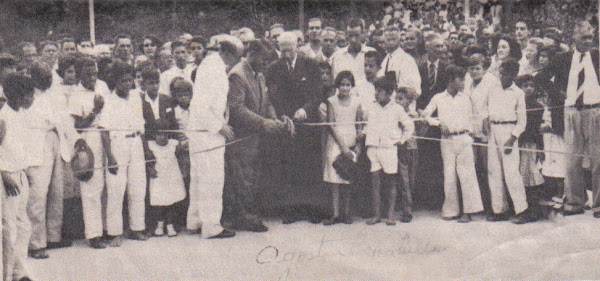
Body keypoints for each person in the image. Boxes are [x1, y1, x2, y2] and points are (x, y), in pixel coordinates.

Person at [535, 20, 600, 217]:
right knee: (572, 159)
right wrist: (558, 94)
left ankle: (598, 204)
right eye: (584, 38)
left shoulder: (597, 56)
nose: (588, 41)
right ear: (574, 38)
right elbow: (541, 78)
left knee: (598, 159)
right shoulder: (563, 58)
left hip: (594, 111)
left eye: (590, 37)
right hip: (570, 111)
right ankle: (574, 202)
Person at [224, 39, 287, 232]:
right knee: (242, 177)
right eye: (264, 59)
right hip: (241, 139)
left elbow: (266, 102)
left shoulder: (259, 75)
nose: (266, 64)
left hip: (255, 138)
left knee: (252, 176)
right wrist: (263, 122)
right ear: (251, 54)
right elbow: (236, 109)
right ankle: (243, 217)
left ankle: (248, 214)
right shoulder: (237, 75)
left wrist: (274, 119)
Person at [265, 31, 324, 224]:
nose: (286, 54)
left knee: (309, 167)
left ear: (297, 47)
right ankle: (291, 210)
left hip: (307, 125)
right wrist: (282, 117)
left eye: (289, 50)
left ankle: (312, 209)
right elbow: (272, 97)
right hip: (285, 125)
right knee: (288, 167)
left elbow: (317, 94)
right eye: (282, 51)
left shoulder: (311, 65)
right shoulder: (273, 68)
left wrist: (305, 110)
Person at [187, 35, 241, 239]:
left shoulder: (212, 66)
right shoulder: (214, 68)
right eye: (237, 56)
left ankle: (195, 221)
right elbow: (202, 104)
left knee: (199, 177)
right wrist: (220, 126)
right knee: (211, 179)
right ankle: (211, 226)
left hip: (201, 130)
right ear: (227, 53)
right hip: (207, 132)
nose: (238, 61)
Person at [422, 65, 483, 223]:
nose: (463, 82)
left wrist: (470, 136)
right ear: (450, 80)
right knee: (449, 175)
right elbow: (425, 114)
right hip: (447, 141)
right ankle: (451, 210)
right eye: (460, 79)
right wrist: (438, 124)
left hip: (464, 138)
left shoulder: (465, 98)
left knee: (467, 175)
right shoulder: (438, 98)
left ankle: (468, 211)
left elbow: (472, 119)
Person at [99, 62, 149, 246]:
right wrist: (110, 157)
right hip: (117, 145)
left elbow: (141, 127)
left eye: (130, 80)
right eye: (123, 81)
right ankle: (114, 233)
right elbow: (103, 131)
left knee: (138, 187)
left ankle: (137, 228)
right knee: (116, 189)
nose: (127, 84)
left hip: (136, 143)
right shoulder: (108, 101)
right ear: (115, 82)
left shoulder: (136, 98)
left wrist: (145, 150)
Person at [363, 73, 414, 226]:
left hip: (389, 148)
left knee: (391, 182)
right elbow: (367, 125)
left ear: (389, 93)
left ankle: (390, 216)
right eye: (375, 90)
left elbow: (409, 126)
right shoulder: (371, 107)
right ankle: (377, 215)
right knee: (375, 181)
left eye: (379, 91)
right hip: (373, 148)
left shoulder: (397, 109)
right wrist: (363, 133)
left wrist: (401, 140)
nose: (376, 93)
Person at [69, 57, 108, 249]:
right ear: (79, 74)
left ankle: (108, 229)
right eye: (88, 74)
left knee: (107, 186)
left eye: (95, 73)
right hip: (89, 138)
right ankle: (93, 234)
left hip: (108, 136)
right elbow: (78, 126)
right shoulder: (76, 95)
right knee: (91, 187)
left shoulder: (103, 87)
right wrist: (95, 110)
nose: (93, 77)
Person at [486, 58, 531, 224]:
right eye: (500, 72)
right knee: (494, 171)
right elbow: (486, 109)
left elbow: (522, 122)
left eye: (505, 73)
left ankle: (522, 210)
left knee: (512, 173)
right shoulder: (492, 89)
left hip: (509, 132)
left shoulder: (518, 93)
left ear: (513, 75)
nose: (501, 76)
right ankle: (500, 210)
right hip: (493, 130)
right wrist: (486, 121)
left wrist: (512, 138)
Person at [1, 73, 36, 281]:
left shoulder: (21, 116)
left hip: (20, 175)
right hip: (7, 178)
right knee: (9, 229)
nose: (31, 99)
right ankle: (6, 276)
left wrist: (26, 171)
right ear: (15, 95)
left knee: (23, 227)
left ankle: (19, 272)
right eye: (27, 94)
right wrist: (4, 173)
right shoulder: (2, 118)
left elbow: (20, 149)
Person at [322, 71, 362, 225]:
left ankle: (346, 213)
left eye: (348, 85)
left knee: (348, 177)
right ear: (337, 86)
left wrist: (357, 145)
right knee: (334, 180)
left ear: (352, 86)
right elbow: (331, 125)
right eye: (342, 85)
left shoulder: (357, 102)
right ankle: (335, 214)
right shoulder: (331, 101)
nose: (345, 88)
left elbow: (359, 125)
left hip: (351, 140)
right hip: (335, 141)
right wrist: (342, 146)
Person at [464, 53, 497, 217]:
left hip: (486, 131)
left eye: (478, 68)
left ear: (484, 68)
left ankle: (493, 206)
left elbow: (494, 103)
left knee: (488, 168)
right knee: (474, 169)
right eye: (472, 68)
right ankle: (479, 206)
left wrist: (487, 119)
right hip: (471, 130)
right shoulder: (468, 82)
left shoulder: (491, 81)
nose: (474, 71)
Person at [147, 119, 186, 237]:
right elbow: (148, 161)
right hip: (158, 178)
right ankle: (159, 225)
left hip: (172, 177)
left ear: (168, 134)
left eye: (164, 134)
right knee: (159, 203)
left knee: (171, 202)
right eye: (158, 134)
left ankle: (170, 225)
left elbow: (182, 157)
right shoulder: (150, 145)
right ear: (154, 135)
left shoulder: (174, 144)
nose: (162, 137)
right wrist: (150, 168)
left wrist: (183, 170)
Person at [516, 74, 545, 221]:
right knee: (519, 176)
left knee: (530, 176)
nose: (528, 88)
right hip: (517, 143)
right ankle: (521, 209)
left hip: (530, 144)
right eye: (525, 85)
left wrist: (540, 148)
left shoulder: (538, 106)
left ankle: (533, 211)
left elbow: (537, 130)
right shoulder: (515, 103)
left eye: (531, 86)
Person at [395, 86, 419, 223]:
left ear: (408, 101)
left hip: (413, 149)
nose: (398, 101)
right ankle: (407, 211)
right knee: (403, 181)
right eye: (396, 98)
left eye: (401, 99)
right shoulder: (394, 114)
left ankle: (408, 206)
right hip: (400, 150)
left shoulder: (414, 115)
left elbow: (420, 132)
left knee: (411, 180)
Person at [379, 26, 421, 101]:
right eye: (388, 39)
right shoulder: (385, 60)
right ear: (384, 40)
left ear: (399, 40)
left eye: (394, 39)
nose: (391, 42)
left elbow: (415, 89)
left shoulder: (407, 60)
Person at [330, 18, 376, 83]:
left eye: (356, 35)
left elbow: (377, 78)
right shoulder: (338, 55)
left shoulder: (371, 52)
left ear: (363, 33)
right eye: (350, 36)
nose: (353, 40)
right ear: (346, 35)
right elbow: (335, 81)